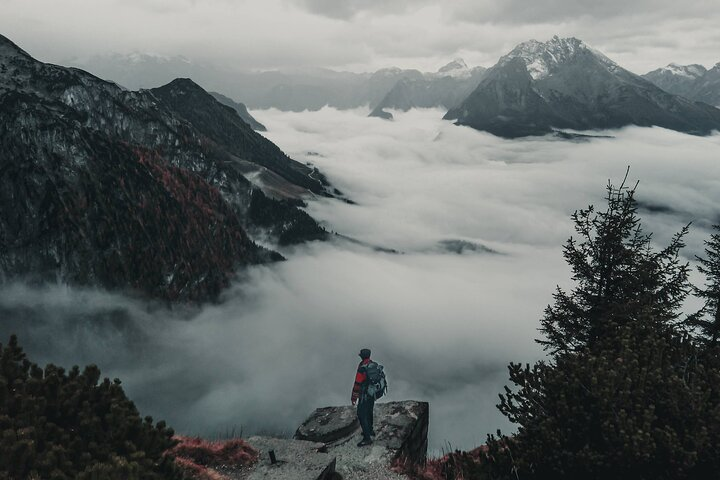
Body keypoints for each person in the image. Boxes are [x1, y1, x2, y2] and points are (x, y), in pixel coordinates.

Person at [351, 348, 375, 447]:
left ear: (361, 356)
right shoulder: (373, 364)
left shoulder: (362, 367)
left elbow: (357, 384)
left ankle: (367, 438)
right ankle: (370, 430)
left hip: (364, 395)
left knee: (361, 414)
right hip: (372, 394)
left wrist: (354, 398)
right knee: (369, 411)